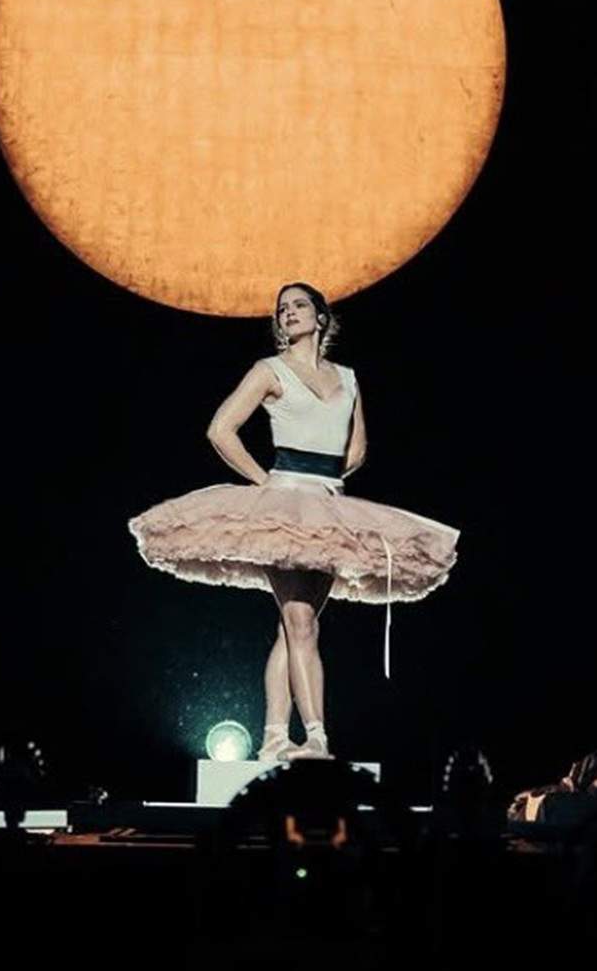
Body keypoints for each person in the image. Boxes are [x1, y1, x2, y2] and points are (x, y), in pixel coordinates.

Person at [127, 283, 461, 763]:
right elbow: (221, 429)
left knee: (293, 628)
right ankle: (318, 738)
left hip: (327, 507)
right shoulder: (270, 370)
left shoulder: (348, 378)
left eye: (299, 305)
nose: (288, 313)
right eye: (282, 309)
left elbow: (357, 449)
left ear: (321, 317)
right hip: (284, 507)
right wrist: (267, 482)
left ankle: (274, 738)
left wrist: (326, 483)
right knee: (301, 622)